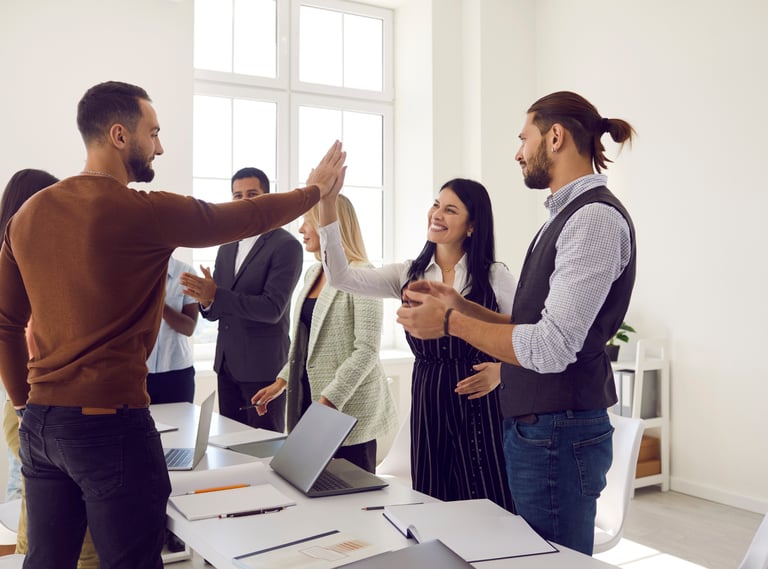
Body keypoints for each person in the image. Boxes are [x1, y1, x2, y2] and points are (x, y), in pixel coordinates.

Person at [0, 80, 345, 569]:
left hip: (42, 427)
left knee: (47, 562)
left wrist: (23, 403)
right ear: (120, 136)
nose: (160, 145)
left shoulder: (27, 215)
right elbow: (242, 216)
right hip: (109, 425)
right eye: (153, 132)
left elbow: (4, 325)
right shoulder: (142, 212)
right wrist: (313, 190)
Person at [396, 90, 637, 555]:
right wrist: (462, 307)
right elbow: (530, 324)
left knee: (546, 562)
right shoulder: (563, 218)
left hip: (557, 434)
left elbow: (550, 347)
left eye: (523, 138)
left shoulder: (592, 221)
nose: (517, 152)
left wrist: (449, 323)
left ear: (555, 137)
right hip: (541, 430)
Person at [317, 177, 515, 510]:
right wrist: (327, 205)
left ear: (472, 226)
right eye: (436, 204)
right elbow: (341, 277)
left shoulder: (495, 276)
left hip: (481, 405)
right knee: (433, 497)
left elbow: (523, 333)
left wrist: (501, 372)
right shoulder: (409, 273)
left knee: (489, 498)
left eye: (450, 209)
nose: (437, 214)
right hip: (429, 398)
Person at [252, 196, 398, 473]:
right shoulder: (312, 273)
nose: (301, 230)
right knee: (312, 492)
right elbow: (306, 343)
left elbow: (366, 351)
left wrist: (328, 401)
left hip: (348, 412)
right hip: (310, 404)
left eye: (308, 221)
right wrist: (281, 381)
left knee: (351, 501)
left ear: (330, 226)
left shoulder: (364, 275)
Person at [0, 169, 100, 569]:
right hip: (32, 398)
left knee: (43, 498)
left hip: (24, 401)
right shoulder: (26, 261)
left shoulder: (26, 256)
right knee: (66, 509)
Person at [179, 167, 303, 433]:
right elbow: (216, 311)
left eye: (252, 193)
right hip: (227, 366)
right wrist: (207, 302)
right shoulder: (227, 245)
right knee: (230, 448)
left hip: (263, 369)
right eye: (237, 195)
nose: (244, 201)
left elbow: (272, 309)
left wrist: (216, 296)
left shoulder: (286, 246)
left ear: (267, 197)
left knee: (262, 451)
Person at [146, 256, 198, 404]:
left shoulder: (187, 274)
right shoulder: (131, 274)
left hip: (177, 374)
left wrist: (159, 303)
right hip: (138, 373)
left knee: (182, 426)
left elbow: (189, 328)